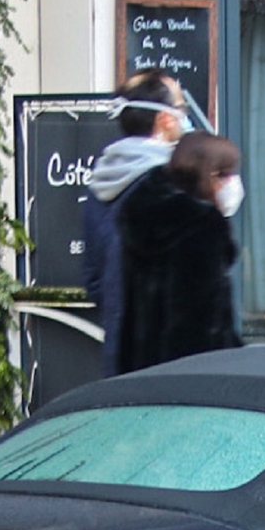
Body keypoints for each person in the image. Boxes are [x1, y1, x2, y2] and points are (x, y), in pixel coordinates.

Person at [80, 70, 189, 374]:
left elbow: (93, 278)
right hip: (171, 361)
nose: (184, 116)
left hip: (120, 354)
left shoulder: (100, 183)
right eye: (181, 108)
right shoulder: (173, 186)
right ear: (165, 119)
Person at [117, 132, 243, 373]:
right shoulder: (204, 228)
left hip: (141, 372)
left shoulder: (142, 214)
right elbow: (203, 324)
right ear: (212, 175)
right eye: (228, 173)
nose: (233, 183)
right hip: (195, 378)